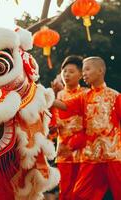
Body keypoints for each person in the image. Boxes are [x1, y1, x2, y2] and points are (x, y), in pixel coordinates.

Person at [53, 56, 121, 200]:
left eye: (87, 69)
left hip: (113, 154)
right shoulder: (84, 97)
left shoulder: (115, 96)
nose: (84, 73)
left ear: (100, 71)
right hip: (91, 156)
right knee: (79, 195)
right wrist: (43, 96)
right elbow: (64, 105)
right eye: (83, 70)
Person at [51, 55, 86, 200]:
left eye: (71, 71)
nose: (67, 74)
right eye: (64, 71)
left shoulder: (85, 93)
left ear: (81, 74)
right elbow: (52, 121)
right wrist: (52, 129)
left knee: (82, 191)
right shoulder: (58, 95)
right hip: (64, 149)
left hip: (83, 148)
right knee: (65, 190)